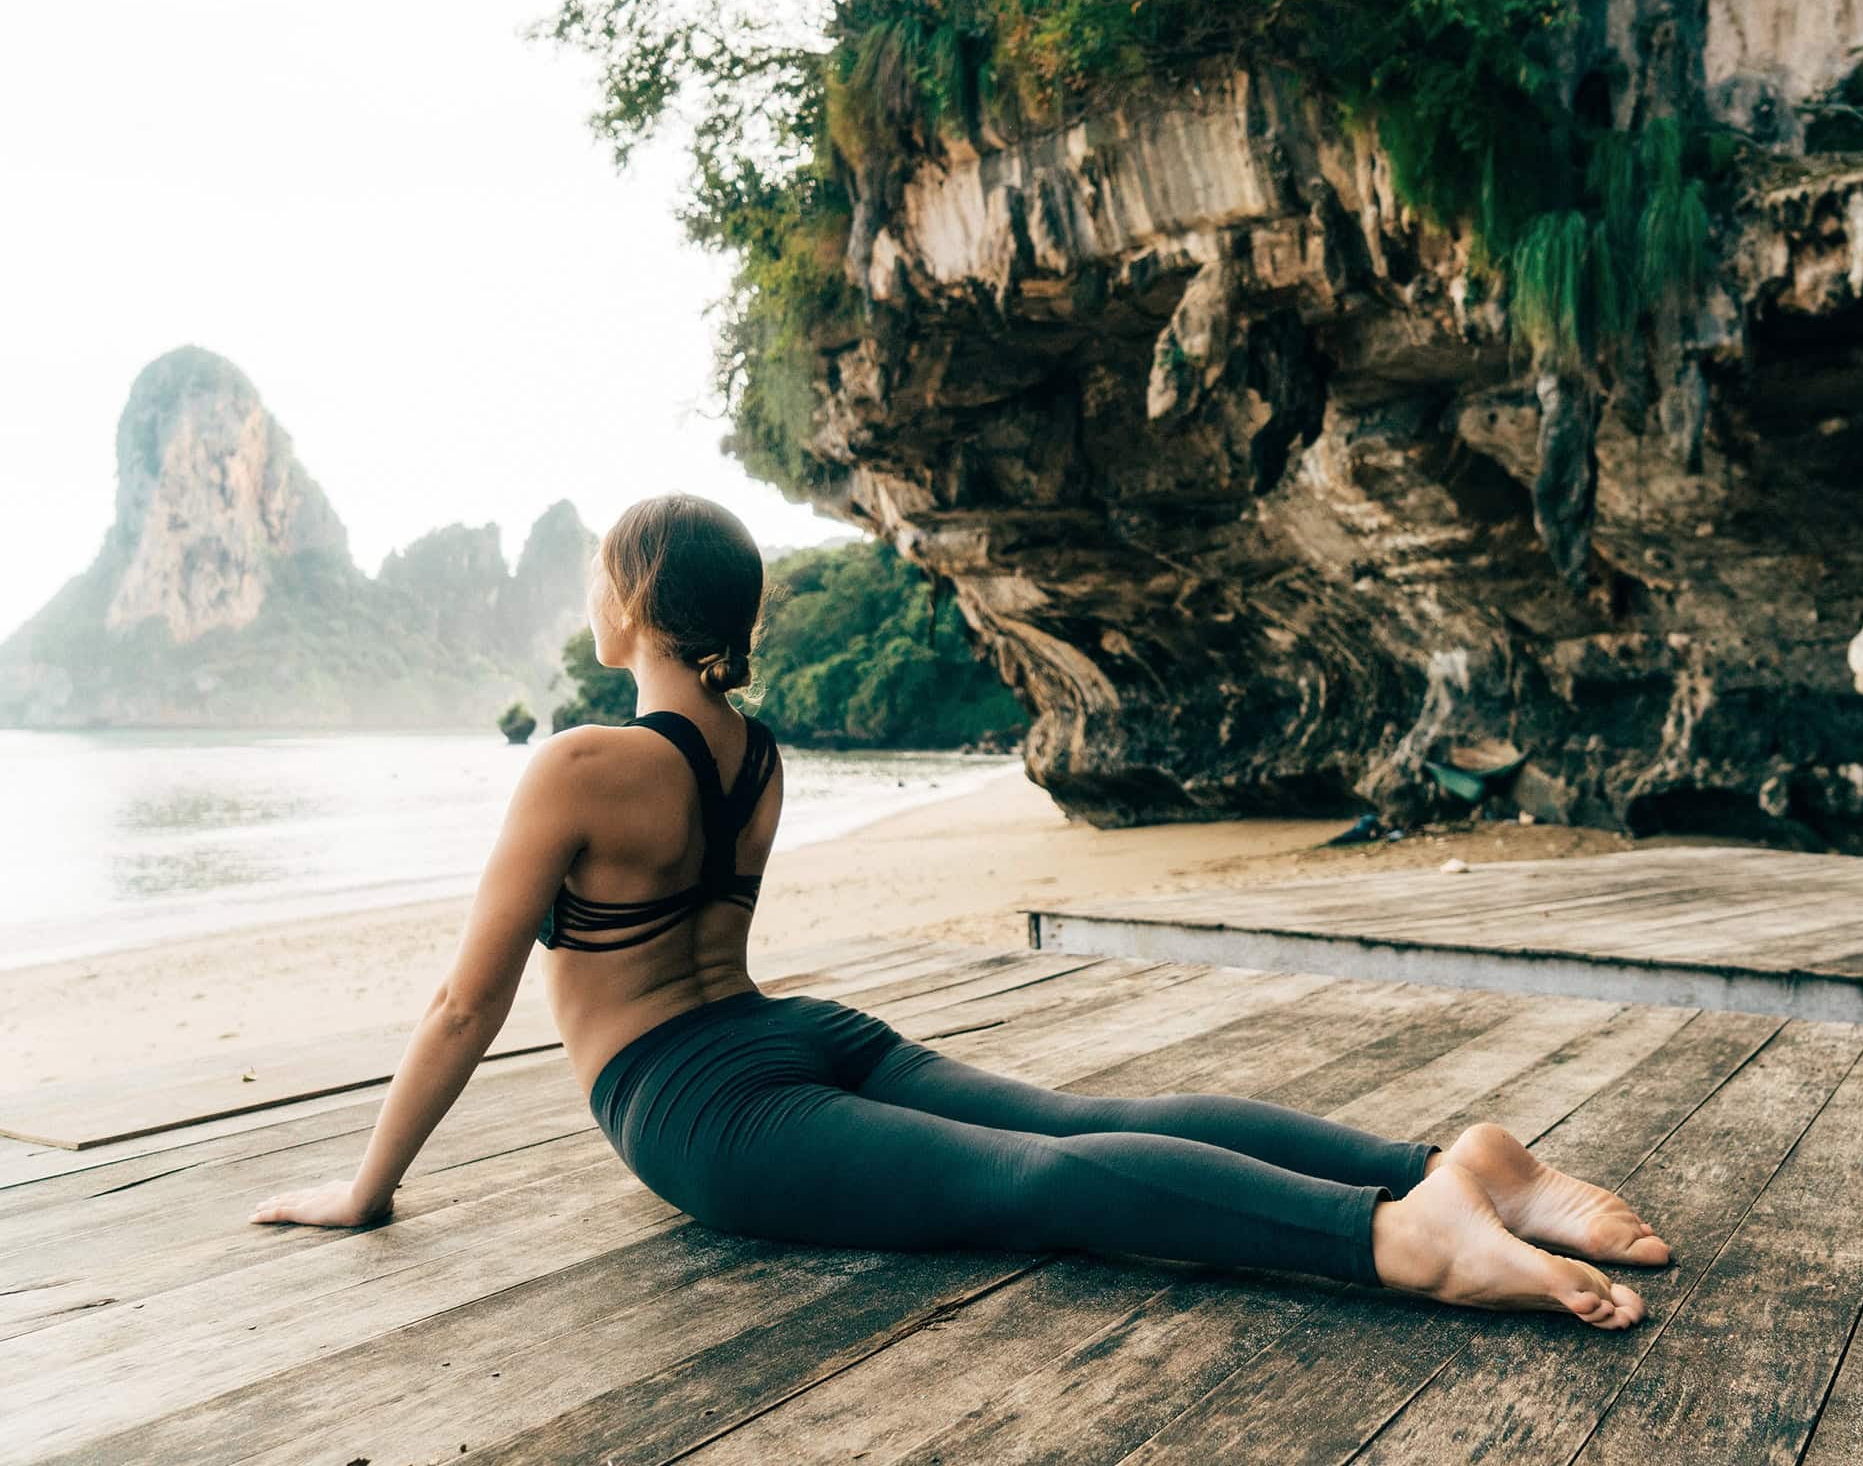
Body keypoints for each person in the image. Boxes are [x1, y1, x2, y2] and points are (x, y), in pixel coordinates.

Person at [249, 493, 1668, 1329]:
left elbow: (466, 1001)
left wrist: (366, 1191)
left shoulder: (581, 765)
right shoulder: (754, 754)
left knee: (1032, 1185)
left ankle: (1404, 1236)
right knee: (1078, 1125)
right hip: (797, 1037)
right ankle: (1450, 1158)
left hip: (695, 1105)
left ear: (627, 600)